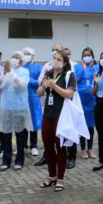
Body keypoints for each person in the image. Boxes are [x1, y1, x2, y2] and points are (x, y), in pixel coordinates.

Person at [37, 49, 77, 192]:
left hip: (62, 115)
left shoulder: (69, 75)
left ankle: (60, 178)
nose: (55, 61)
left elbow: (69, 94)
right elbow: (39, 93)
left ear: (65, 62)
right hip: (48, 113)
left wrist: (55, 86)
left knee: (60, 146)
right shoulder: (48, 74)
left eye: (59, 59)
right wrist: (44, 85)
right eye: (54, 58)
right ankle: (51, 176)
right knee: (47, 145)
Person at [0, 51, 32, 171]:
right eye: (13, 57)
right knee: (6, 135)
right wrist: (4, 74)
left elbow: (22, 86)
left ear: (21, 61)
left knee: (20, 135)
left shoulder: (24, 72)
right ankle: (6, 161)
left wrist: (11, 73)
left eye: (17, 58)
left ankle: (19, 160)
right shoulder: (5, 71)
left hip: (19, 108)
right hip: (6, 107)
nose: (14, 59)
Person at [71, 48, 97, 162]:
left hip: (92, 99)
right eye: (85, 55)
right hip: (81, 99)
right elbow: (76, 79)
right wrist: (83, 69)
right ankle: (82, 148)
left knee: (90, 125)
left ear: (92, 56)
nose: (87, 57)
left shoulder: (95, 67)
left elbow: (96, 80)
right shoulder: (77, 67)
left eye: (89, 55)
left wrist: (90, 69)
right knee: (81, 123)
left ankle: (90, 148)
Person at [22, 47, 42, 159]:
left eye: (28, 54)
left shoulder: (38, 67)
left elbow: (41, 81)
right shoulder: (21, 67)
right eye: (24, 53)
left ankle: (34, 145)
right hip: (22, 98)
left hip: (33, 97)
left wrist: (28, 79)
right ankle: (23, 145)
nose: (26, 55)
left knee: (34, 121)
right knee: (24, 121)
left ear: (33, 55)